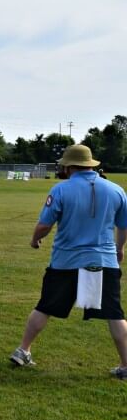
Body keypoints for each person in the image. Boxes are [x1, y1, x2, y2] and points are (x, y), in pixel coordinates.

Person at [9, 145, 127, 378]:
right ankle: (126, 365)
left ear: (70, 166)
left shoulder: (62, 189)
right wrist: (119, 249)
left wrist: (35, 240)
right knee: (115, 314)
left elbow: (44, 225)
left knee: (45, 306)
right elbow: (123, 225)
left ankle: (23, 350)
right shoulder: (116, 190)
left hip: (66, 261)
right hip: (103, 260)